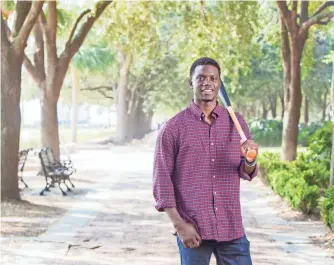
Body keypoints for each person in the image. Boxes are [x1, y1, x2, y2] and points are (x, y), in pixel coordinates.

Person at [153, 57, 259, 265]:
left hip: (231, 228)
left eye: (212, 78)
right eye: (200, 78)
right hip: (193, 229)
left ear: (219, 83)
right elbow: (162, 183)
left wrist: (250, 159)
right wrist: (180, 226)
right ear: (191, 82)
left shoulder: (236, 123)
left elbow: (245, 171)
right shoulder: (173, 128)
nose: (207, 83)